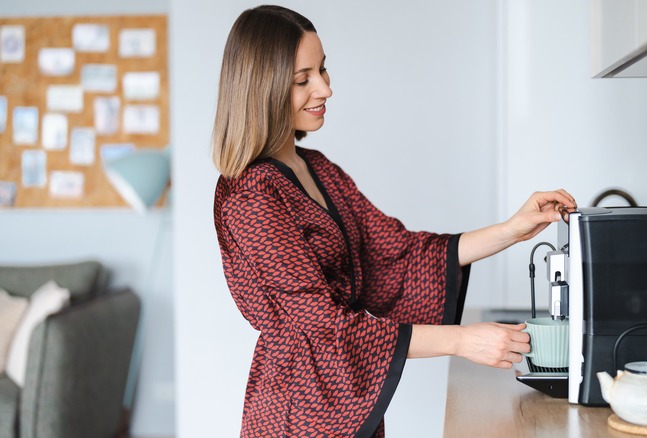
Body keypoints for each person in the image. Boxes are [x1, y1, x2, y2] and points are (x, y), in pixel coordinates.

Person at [212, 5, 577, 438]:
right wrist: (462, 341)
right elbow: (324, 327)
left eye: (324, 70)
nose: (326, 88)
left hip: (346, 405)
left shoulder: (317, 168)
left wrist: (513, 229)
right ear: (261, 88)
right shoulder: (251, 196)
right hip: (299, 414)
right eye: (302, 79)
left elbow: (395, 254)